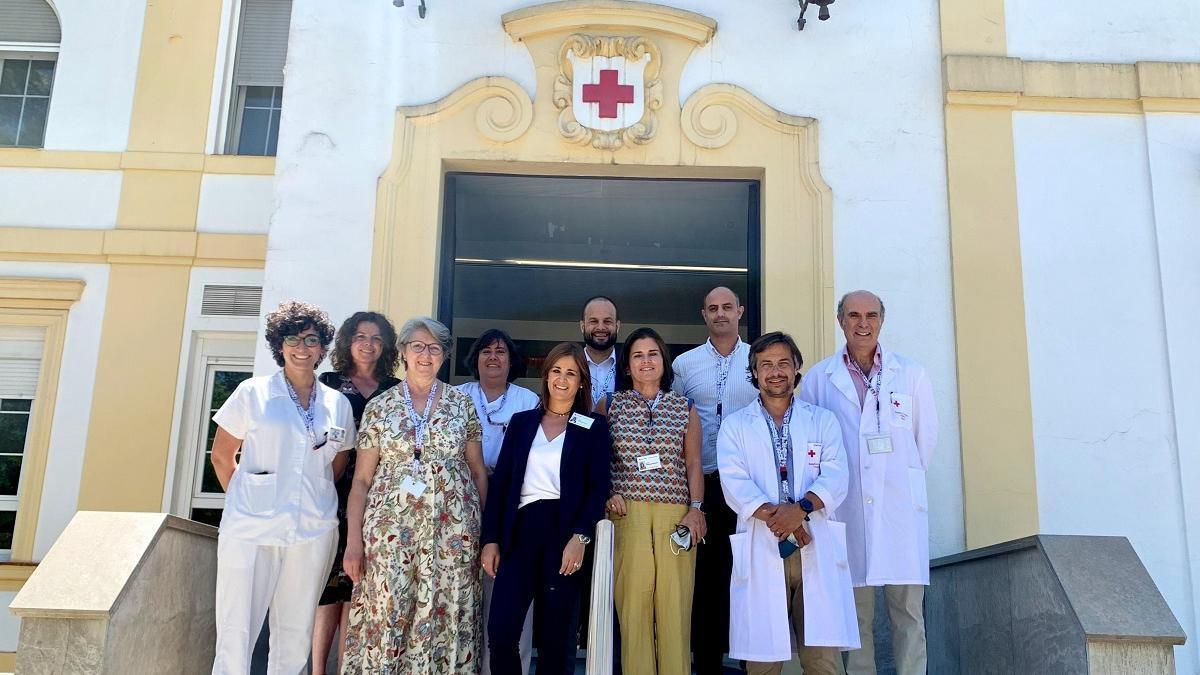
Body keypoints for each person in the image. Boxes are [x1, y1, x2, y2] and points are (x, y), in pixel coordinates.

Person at [209, 300, 356, 674]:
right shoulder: (252, 393)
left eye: (311, 339)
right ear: (279, 344)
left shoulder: (337, 403)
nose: (302, 347)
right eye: (293, 338)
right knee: (235, 629)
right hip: (250, 530)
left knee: (295, 632)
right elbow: (222, 456)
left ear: (323, 347)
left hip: (312, 530)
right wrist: (249, 499)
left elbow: (336, 465)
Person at [799, 291, 938, 675]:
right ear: (840, 320)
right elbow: (812, 446)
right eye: (854, 315)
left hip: (899, 514)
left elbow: (924, 443)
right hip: (846, 512)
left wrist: (897, 481)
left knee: (908, 615)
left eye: (871, 315)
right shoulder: (819, 379)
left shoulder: (910, 374)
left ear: (882, 320)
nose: (863, 323)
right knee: (856, 621)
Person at [341, 316, 490, 673]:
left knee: (447, 611)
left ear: (444, 356)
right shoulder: (380, 406)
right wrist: (353, 542)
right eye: (418, 346)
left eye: (435, 348)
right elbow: (360, 480)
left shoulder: (461, 404)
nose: (426, 354)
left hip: (453, 535)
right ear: (404, 351)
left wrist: (486, 534)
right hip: (391, 533)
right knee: (389, 608)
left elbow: (477, 471)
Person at [717, 331, 858, 675]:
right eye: (765, 364)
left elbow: (837, 475)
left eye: (783, 363)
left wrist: (801, 511)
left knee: (822, 660)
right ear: (753, 372)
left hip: (814, 543)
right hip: (764, 544)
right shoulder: (735, 426)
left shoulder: (822, 420)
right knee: (763, 660)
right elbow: (735, 485)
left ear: (797, 368)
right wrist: (781, 519)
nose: (775, 371)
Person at [481, 342, 612, 675]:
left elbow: (597, 489)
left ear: (582, 381)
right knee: (501, 632)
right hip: (519, 534)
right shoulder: (522, 422)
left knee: (556, 641)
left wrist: (580, 537)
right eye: (556, 371)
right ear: (546, 375)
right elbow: (501, 486)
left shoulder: (593, 428)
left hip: (564, 535)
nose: (563, 379)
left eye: (571, 373)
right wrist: (491, 539)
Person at [596, 327, 705, 675]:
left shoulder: (684, 407)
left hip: (676, 515)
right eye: (638, 355)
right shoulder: (610, 404)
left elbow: (694, 463)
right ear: (627, 365)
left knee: (674, 609)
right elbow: (593, 460)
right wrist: (605, 493)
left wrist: (696, 509)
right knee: (634, 610)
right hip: (627, 514)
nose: (646, 361)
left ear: (663, 360)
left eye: (653, 354)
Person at [670, 286, 759, 675]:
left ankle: (748, 663)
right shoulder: (685, 366)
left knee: (747, 578)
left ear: (740, 311)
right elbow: (674, 423)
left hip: (749, 488)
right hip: (702, 487)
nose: (720, 314)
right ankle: (706, 666)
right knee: (704, 583)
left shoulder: (758, 360)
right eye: (712, 308)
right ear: (703, 315)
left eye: (727, 307)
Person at [310, 311, 400, 675]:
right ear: (348, 341)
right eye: (362, 337)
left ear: (387, 347)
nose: (369, 344)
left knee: (357, 589)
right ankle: (317, 669)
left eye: (377, 339)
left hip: (376, 498)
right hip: (330, 493)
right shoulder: (327, 384)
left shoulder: (395, 390)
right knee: (327, 589)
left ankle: (348, 668)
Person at [457, 329, 540, 674]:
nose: (493, 357)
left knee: (507, 599)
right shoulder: (456, 397)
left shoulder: (528, 401)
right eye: (486, 351)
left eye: (501, 352)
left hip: (511, 505)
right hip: (460, 504)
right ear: (475, 359)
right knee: (462, 596)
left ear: (512, 361)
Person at [580, 296, 621, 406]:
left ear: (617, 326)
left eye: (607, 321)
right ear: (582, 326)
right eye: (593, 321)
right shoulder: (571, 363)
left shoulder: (630, 365)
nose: (601, 327)